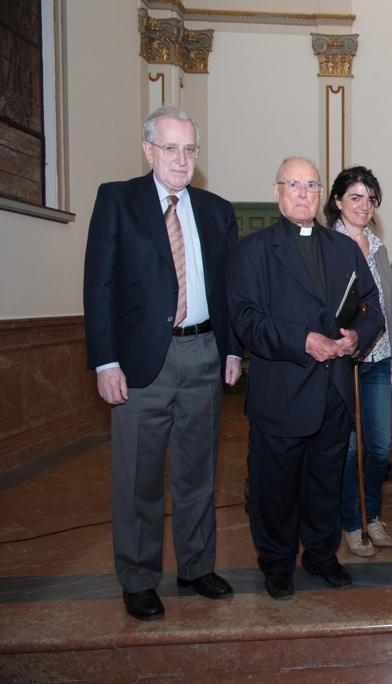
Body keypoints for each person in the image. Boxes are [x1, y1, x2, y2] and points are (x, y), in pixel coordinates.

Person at [83, 106, 240, 621]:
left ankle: (196, 566)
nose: (181, 158)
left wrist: (231, 348)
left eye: (189, 149)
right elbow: (99, 285)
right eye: (170, 147)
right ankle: (138, 578)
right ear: (148, 150)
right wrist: (105, 362)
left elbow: (227, 289)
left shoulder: (216, 210)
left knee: (198, 474)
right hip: (139, 363)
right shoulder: (118, 200)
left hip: (204, 353)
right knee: (138, 479)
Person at [227, 157, 384, 599]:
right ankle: (277, 562)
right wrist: (302, 340)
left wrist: (357, 336)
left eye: (311, 185)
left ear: (321, 195)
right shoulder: (251, 250)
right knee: (275, 488)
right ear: (276, 191)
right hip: (283, 391)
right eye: (293, 185)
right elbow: (246, 320)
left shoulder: (343, 249)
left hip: (333, 391)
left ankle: (320, 555)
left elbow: (372, 307)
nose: (303, 194)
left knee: (325, 482)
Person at [323, 166, 392, 558]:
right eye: (355, 197)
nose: (364, 205)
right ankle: (352, 522)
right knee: (349, 450)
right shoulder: (325, 245)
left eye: (370, 199)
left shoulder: (378, 246)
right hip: (343, 363)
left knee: (380, 447)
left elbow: (388, 308)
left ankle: (374, 516)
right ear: (338, 201)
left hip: (379, 360)